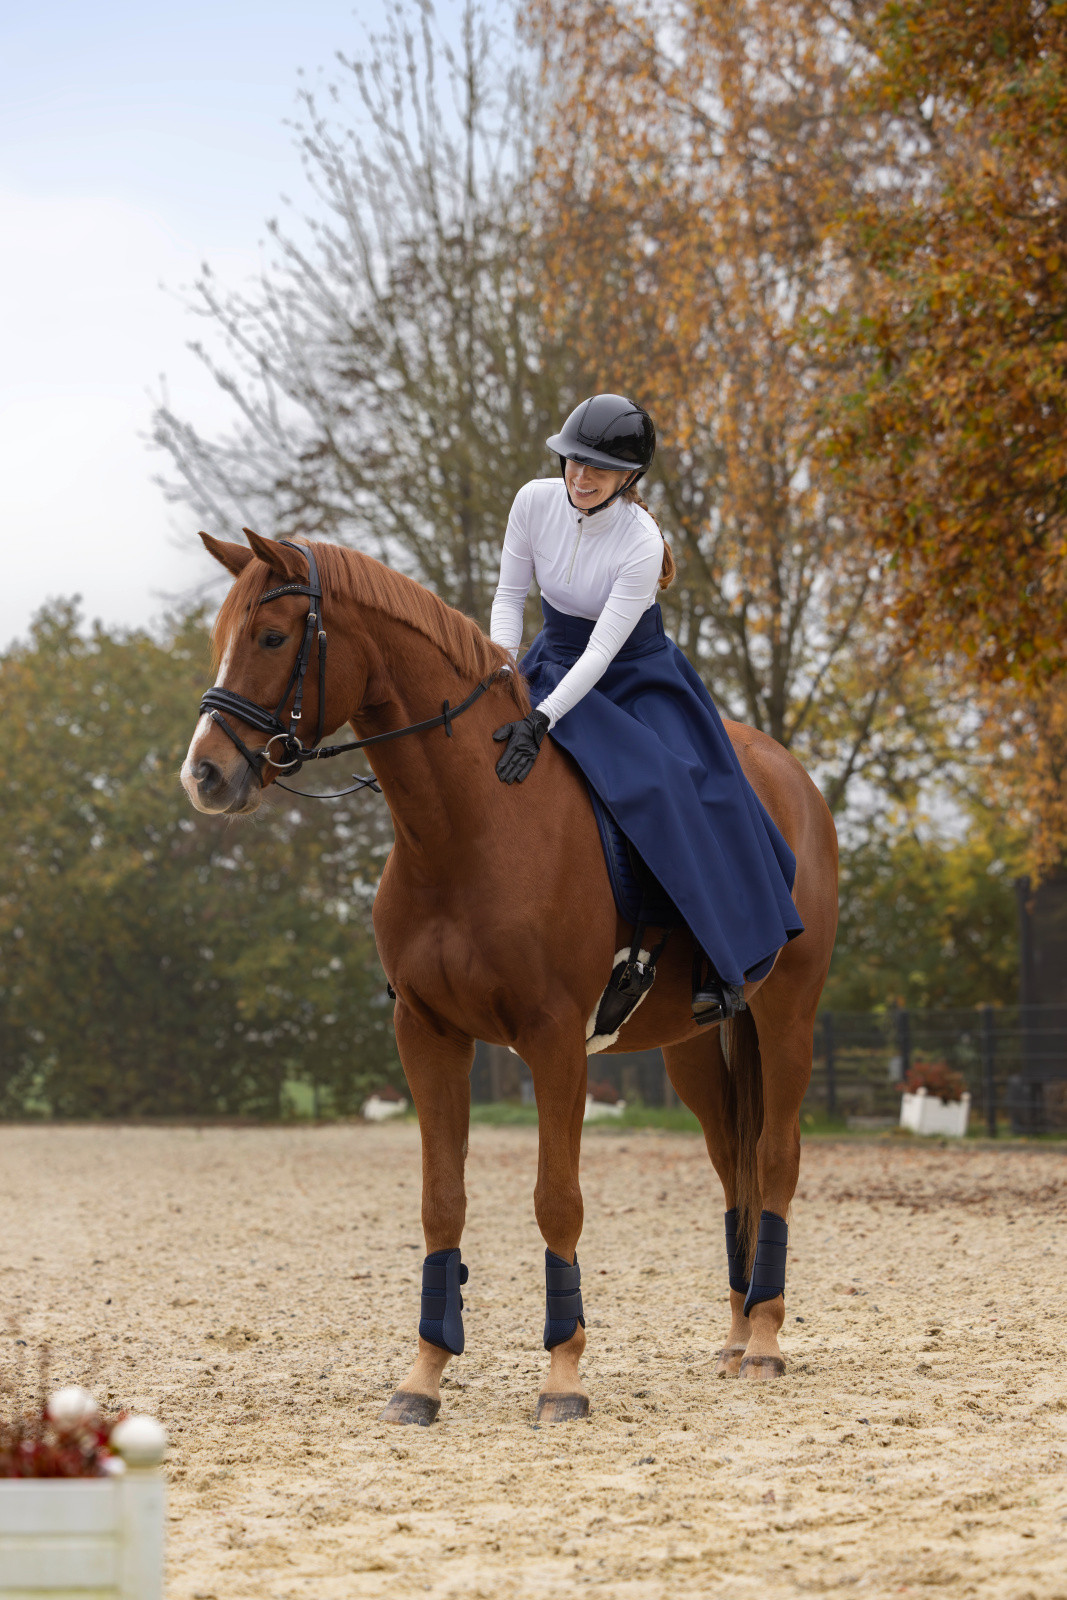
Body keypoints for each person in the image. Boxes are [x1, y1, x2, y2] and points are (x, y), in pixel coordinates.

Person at [489, 393, 803, 1019]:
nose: (579, 477)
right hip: (552, 659)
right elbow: (508, 597)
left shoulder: (640, 540)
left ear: (628, 479)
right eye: (572, 462)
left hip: (633, 674)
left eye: (597, 469)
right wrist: (502, 680)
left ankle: (724, 956)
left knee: (672, 785)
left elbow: (604, 651)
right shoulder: (532, 501)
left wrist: (543, 716)